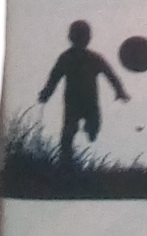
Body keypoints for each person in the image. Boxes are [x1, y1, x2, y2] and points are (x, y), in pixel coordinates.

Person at [37, 20, 127, 162]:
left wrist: (120, 91)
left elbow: (110, 75)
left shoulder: (94, 58)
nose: (81, 40)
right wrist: (46, 93)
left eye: (84, 36)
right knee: (69, 132)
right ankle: (66, 160)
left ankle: (88, 132)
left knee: (93, 126)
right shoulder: (66, 58)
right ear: (71, 38)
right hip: (73, 102)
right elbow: (54, 78)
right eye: (79, 36)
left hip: (89, 101)